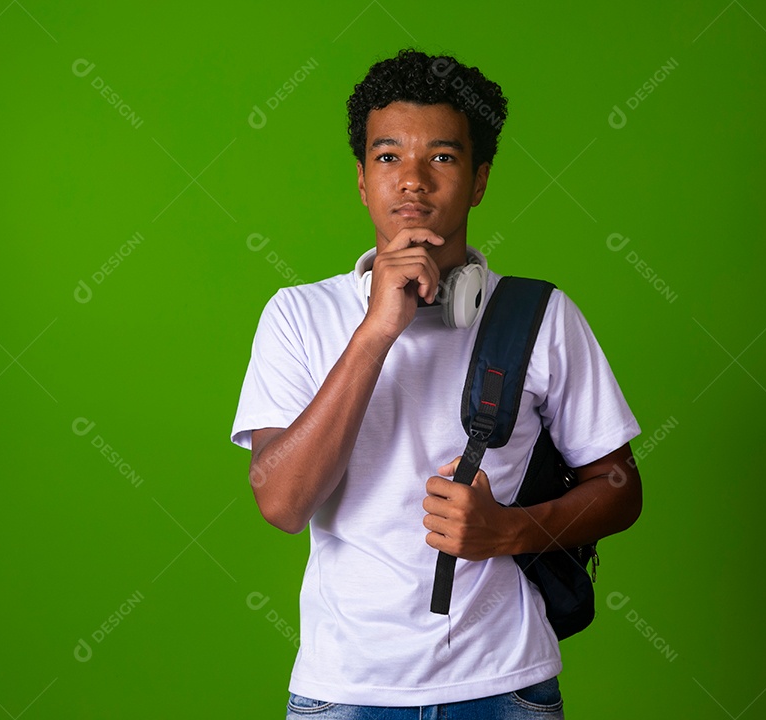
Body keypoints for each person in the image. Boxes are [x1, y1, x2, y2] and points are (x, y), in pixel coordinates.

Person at [231, 48, 643, 719]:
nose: (413, 181)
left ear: (479, 181)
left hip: (504, 684)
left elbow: (622, 489)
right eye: (388, 157)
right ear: (363, 180)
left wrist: (507, 530)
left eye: (442, 158)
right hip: (345, 691)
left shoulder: (540, 315)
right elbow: (281, 502)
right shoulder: (298, 314)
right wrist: (375, 332)